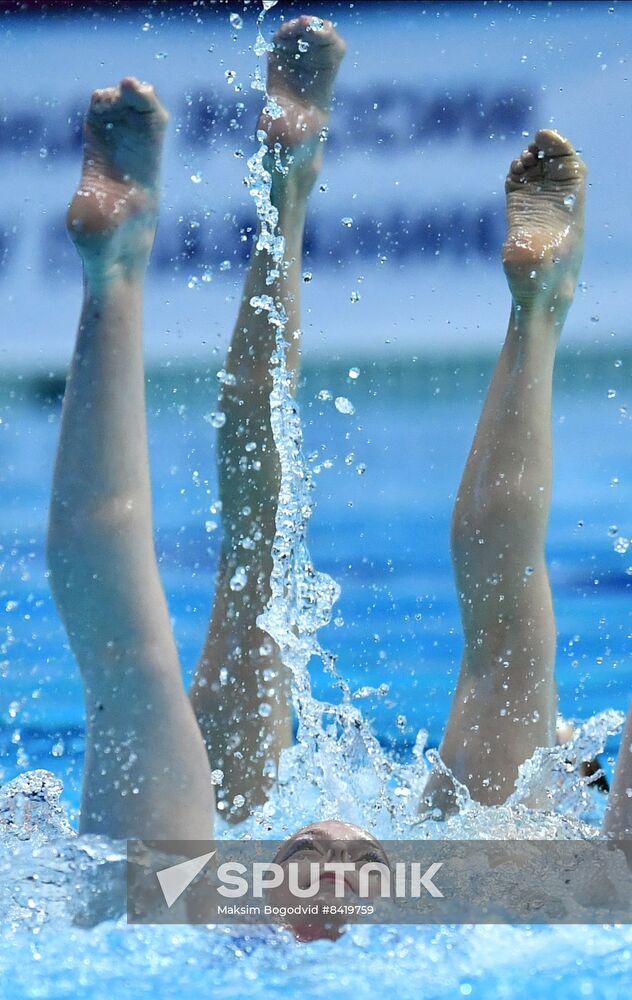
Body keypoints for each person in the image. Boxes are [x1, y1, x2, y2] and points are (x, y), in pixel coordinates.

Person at [46, 13, 631, 936]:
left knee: (253, 576)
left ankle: (516, 302)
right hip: (449, 912)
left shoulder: (184, 906)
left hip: (237, 914)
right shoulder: (505, 903)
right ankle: (135, 264)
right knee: (176, 624)